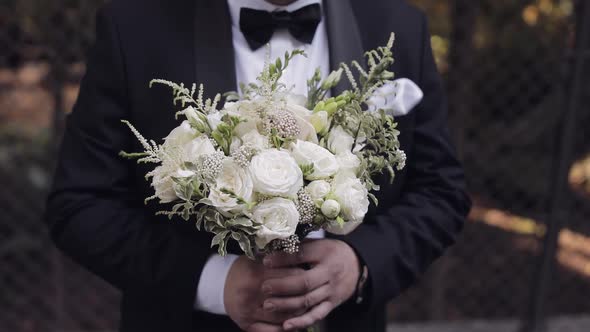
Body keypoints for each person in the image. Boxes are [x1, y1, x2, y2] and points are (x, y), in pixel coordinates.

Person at [44, 0, 471, 331]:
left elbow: (441, 190)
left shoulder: (398, 25)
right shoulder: (135, 28)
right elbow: (79, 205)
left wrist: (360, 263)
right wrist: (213, 283)